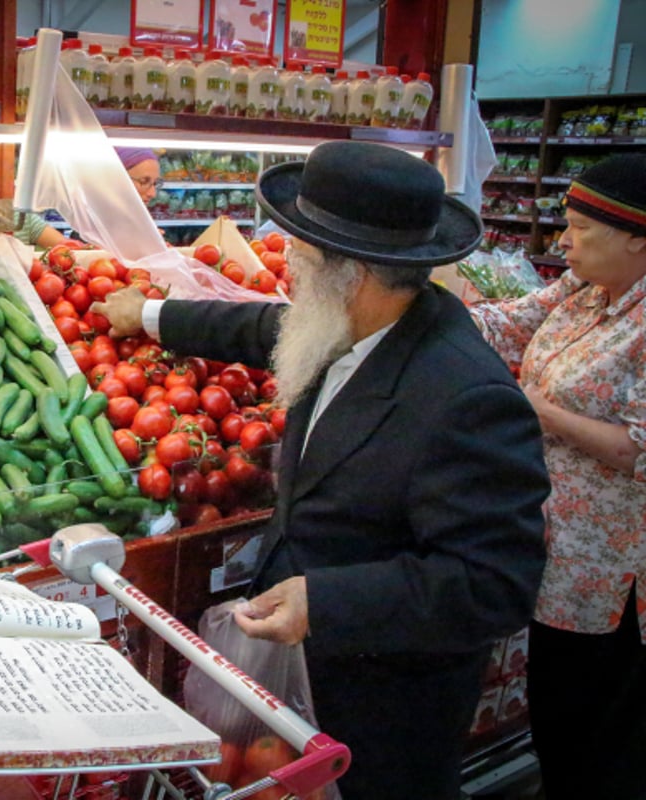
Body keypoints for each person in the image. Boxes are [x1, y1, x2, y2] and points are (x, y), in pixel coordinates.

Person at [90, 141, 550, 800]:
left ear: (350, 273)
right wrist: (151, 315)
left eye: (301, 254)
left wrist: (326, 601)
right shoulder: (368, 322)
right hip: (308, 686)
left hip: (380, 713)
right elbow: (264, 327)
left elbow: (496, 583)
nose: (291, 266)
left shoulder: (465, 399)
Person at [469, 153, 646, 800]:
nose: (561, 240)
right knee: (557, 713)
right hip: (555, 545)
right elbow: (503, 325)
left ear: (635, 235)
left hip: (613, 573)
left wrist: (534, 407)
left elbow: (636, 449)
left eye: (579, 228)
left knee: (600, 732)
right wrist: (412, 294)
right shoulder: (581, 289)